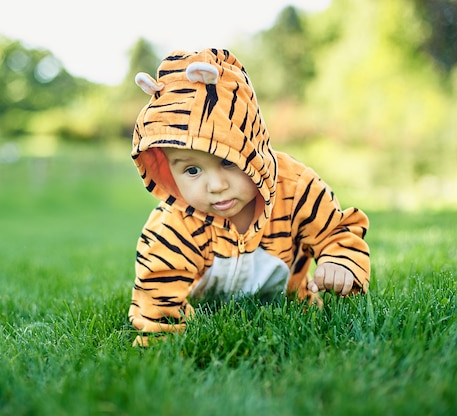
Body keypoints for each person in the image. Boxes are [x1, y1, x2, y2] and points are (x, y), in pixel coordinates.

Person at [128, 48, 370, 345]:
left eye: (229, 162)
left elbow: (335, 229)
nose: (215, 185)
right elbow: (157, 289)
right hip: (206, 310)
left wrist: (340, 260)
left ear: (252, 149)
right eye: (192, 170)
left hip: (293, 308)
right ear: (167, 170)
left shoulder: (295, 188)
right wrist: (161, 338)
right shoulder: (174, 224)